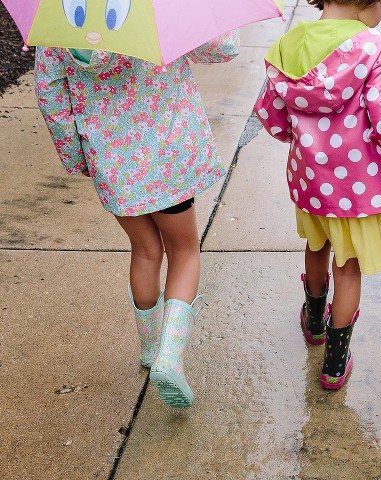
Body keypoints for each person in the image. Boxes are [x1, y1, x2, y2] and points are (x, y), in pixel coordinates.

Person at [34, 33, 240, 408]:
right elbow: (222, 48)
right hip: (167, 157)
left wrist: (75, 155)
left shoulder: (62, 18)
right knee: (185, 252)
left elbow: (50, 94)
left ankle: (149, 349)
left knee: (145, 251)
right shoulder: (157, 11)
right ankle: (170, 357)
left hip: (112, 161)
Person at [254, 0, 381, 390]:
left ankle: (313, 322)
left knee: (316, 244)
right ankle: (333, 364)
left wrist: (305, 140)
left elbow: (271, 114)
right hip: (356, 187)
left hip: (310, 179)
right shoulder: (370, 45)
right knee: (348, 268)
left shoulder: (287, 46)